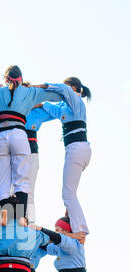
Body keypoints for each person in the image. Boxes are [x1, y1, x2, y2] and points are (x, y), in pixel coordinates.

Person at [0, 66, 62, 219]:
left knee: (2, 182)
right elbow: (56, 96)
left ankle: (6, 216)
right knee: (22, 179)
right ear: (21, 79)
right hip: (19, 136)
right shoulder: (30, 93)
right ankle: (21, 218)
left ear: (5, 78)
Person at [0, 99, 55, 223]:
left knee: (27, 189)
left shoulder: (37, 112)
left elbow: (57, 111)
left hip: (30, 153)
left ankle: (29, 220)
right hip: (11, 153)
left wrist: (41, 104)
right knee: (10, 187)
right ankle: (11, 217)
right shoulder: (10, 111)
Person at [39, 77, 91, 235]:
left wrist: (41, 86)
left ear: (74, 88)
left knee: (67, 194)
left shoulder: (76, 100)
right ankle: (73, 223)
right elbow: (49, 108)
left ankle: (80, 230)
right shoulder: (64, 109)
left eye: (68, 88)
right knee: (70, 193)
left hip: (77, 148)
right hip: (77, 149)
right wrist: (39, 103)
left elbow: (63, 90)